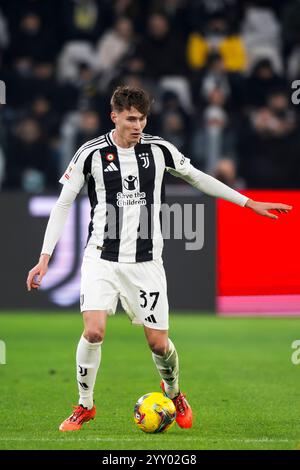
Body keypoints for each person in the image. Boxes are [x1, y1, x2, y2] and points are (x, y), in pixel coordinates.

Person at [26, 86, 292, 432]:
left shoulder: (159, 150)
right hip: (101, 258)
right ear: (115, 117)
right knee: (93, 332)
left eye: (143, 118)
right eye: (131, 119)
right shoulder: (90, 154)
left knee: (158, 343)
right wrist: (45, 257)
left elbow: (198, 178)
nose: (138, 125)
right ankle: (84, 405)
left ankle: (175, 393)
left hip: (146, 262)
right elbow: (63, 204)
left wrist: (247, 202)